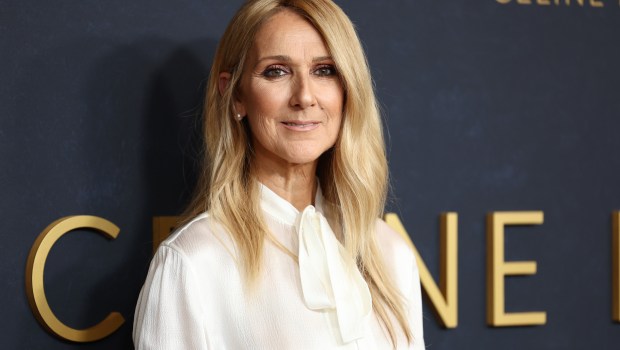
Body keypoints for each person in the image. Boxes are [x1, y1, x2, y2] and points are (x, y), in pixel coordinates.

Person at [133, 0, 425, 349]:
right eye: (276, 71)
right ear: (235, 95)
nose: (304, 96)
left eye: (325, 70)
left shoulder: (388, 251)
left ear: (348, 90)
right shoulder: (194, 263)